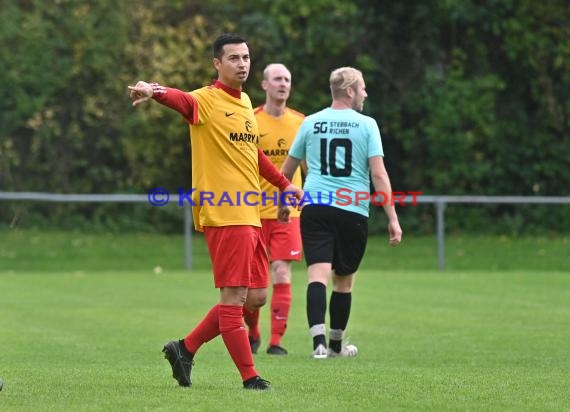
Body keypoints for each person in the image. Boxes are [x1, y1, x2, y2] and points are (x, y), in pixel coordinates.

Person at [128, 33, 303, 390]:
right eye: (234, 58)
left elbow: (253, 156)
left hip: (249, 213)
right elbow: (180, 100)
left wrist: (286, 186)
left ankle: (185, 348)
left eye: (246, 57)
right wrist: (154, 90)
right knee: (234, 298)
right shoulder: (206, 100)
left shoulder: (245, 104)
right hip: (225, 215)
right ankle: (250, 376)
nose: (242, 64)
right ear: (217, 64)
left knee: (255, 297)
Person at [280, 66, 403, 359]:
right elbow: (379, 174)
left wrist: (284, 203)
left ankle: (319, 344)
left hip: (315, 207)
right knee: (344, 281)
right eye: (362, 88)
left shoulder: (310, 122)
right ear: (349, 91)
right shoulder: (367, 124)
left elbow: (287, 169)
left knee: (317, 276)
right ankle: (336, 346)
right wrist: (393, 218)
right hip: (352, 210)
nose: (365, 93)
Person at [243, 64, 305, 356]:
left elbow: (309, 169)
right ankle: (253, 332)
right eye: (278, 79)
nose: (283, 84)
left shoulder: (300, 123)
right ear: (265, 85)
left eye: (287, 80)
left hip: (288, 212)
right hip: (252, 212)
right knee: (253, 283)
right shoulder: (251, 120)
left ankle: (276, 342)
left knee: (282, 272)